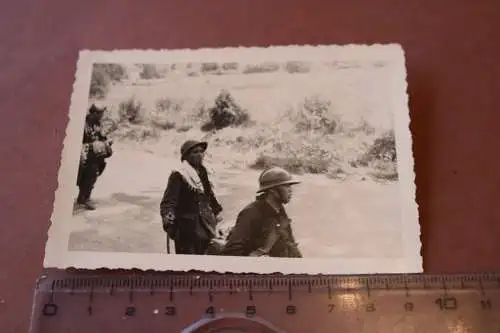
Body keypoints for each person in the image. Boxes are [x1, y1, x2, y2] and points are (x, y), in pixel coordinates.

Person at [220, 166, 302, 258]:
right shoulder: (251, 213)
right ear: (272, 190)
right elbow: (231, 252)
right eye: (286, 186)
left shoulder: (279, 211)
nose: (290, 190)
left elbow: (290, 244)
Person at [160, 140, 223, 255]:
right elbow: (168, 201)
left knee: (205, 256)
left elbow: (208, 194)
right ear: (186, 156)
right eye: (195, 152)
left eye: (201, 151)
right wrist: (168, 214)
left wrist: (216, 210)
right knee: (187, 261)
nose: (199, 154)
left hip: (205, 224)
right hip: (186, 227)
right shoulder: (179, 175)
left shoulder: (203, 172)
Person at [75, 104, 113, 211]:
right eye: (100, 113)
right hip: (83, 155)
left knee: (93, 174)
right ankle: (82, 197)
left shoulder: (97, 124)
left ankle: (84, 198)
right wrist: (91, 145)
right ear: (94, 113)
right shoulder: (83, 124)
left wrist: (106, 142)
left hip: (94, 157)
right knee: (81, 176)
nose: (102, 115)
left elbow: (102, 136)